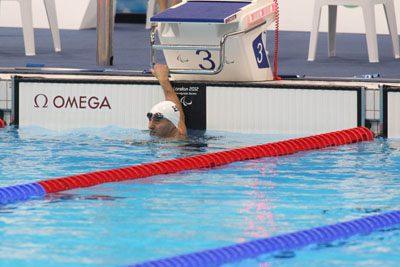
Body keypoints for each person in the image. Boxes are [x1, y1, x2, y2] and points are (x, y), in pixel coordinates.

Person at [148, 64, 187, 139]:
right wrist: (163, 79)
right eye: (150, 119)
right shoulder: (180, 132)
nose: (150, 126)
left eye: (157, 120)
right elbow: (178, 113)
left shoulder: (176, 142)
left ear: (173, 123)